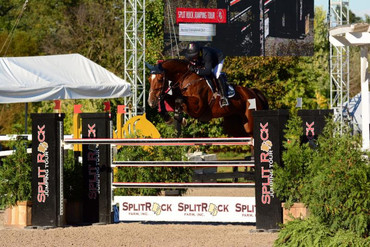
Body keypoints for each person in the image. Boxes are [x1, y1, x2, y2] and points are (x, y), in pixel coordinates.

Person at [184, 42, 229, 107]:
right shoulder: (191, 55)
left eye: (194, 55)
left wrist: (196, 70)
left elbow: (208, 71)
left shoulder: (207, 54)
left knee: (216, 74)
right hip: (205, 61)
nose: (193, 57)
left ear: (199, 52)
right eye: (191, 56)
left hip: (218, 59)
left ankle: (224, 97)